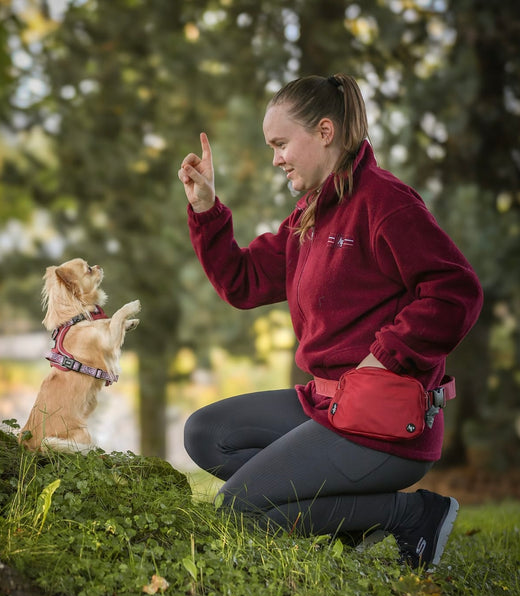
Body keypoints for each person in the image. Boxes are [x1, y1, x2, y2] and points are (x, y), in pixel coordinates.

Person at [177, 74, 483, 569]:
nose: (275, 158)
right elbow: (244, 281)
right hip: (326, 403)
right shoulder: (309, 214)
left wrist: (387, 356)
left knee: (238, 509)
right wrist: (207, 209)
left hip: (383, 423)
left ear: (324, 132)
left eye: (280, 143)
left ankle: (412, 514)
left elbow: (455, 291)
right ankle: (346, 517)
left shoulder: (386, 202)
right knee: (205, 434)